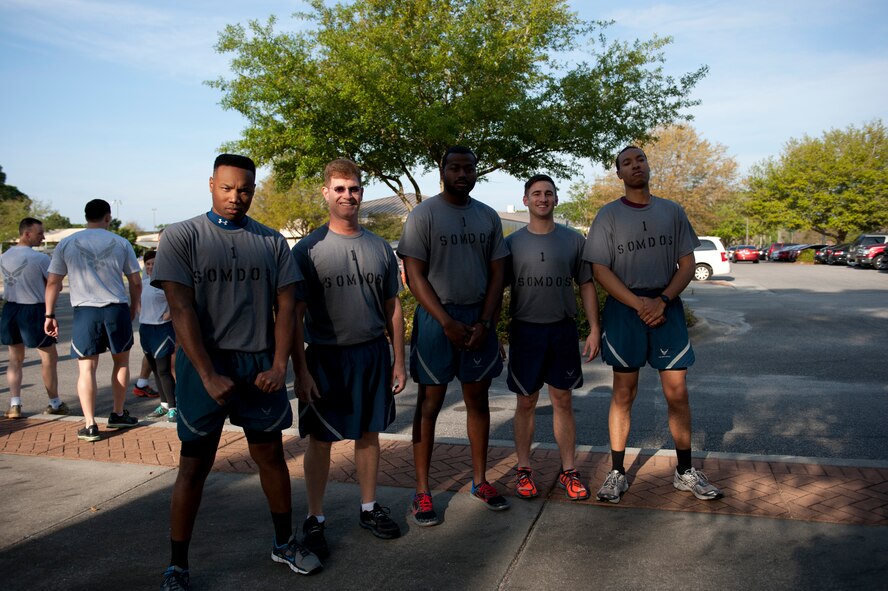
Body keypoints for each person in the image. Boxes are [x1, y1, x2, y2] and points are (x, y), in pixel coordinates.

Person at [152, 154, 320, 590]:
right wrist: (207, 374)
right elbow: (180, 308)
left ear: (253, 190)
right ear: (211, 184)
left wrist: (279, 365)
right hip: (204, 365)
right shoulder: (182, 235)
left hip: (258, 365)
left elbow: (287, 308)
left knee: (271, 457)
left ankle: (284, 544)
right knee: (194, 466)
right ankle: (177, 566)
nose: (235, 197)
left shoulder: (271, 241)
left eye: (244, 189)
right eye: (227, 188)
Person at [583, 146, 723, 504]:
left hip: (666, 307)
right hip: (625, 310)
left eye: (640, 159)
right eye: (627, 163)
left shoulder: (672, 211)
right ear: (619, 173)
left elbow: (687, 264)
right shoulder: (608, 215)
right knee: (623, 393)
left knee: (677, 392)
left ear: (648, 165)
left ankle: (685, 471)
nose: (635, 166)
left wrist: (661, 300)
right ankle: (617, 472)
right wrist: (639, 304)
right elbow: (600, 269)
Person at [291, 158, 407, 558]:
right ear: (326, 193)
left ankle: (369, 508)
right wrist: (300, 371)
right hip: (325, 358)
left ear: (361, 191)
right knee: (321, 439)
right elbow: (293, 316)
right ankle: (315, 516)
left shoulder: (379, 247)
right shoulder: (307, 250)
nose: (347, 195)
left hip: (371, 354)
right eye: (339, 188)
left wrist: (399, 360)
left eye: (354, 188)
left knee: (369, 433)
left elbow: (393, 307)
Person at [397, 145, 509, 525]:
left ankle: (480, 481)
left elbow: (498, 274)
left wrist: (487, 324)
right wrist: (445, 321)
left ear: (476, 172)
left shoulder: (487, 216)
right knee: (429, 403)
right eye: (455, 168)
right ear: (442, 171)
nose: (462, 174)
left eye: (469, 168)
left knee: (477, 401)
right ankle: (423, 491)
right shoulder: (423, 215)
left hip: (477, 317)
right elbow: (414, 275)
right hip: (437, 319)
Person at [504, 175, 600, 501]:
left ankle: (568, 471)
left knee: (563, 401)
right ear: (526, 200)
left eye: (548, 193)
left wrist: (594, 328)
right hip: (525, 331)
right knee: (525, 402)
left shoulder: (573, 240)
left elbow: (586, 284)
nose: (543, 198)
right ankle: (524, 468)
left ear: (556, 199)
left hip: (562, 330)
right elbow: (496, 288)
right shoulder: (512, 244)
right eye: (536, 193)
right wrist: (493, 331)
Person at [45, 200, 141, 441]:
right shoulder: (121, 242)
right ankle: (118, 413)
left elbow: (53, 282)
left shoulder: (67, 243)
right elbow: (135, 281)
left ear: (86, 216)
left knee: (86, 368)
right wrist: (134, 306)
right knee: (121, 362)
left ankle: (89, 424)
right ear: (108, 217)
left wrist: (49, 314)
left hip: (85, 311)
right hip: (116, 308)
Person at [1, 218, 66, 418]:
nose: (43, 237)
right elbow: (55, 285)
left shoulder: (4, 256)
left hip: (11, 308)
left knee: (15, 359)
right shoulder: (40, 259)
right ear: (27, 234)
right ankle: (54, 402)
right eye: (39, 233)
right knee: (48, 357)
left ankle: (15, 404)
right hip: (34, 309)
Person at [138, 250, 177, 421]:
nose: (150, 267)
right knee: (155, 370)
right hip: (146, 329)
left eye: (154, 263)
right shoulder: (143, 283)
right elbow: (137, 300)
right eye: (148, 264)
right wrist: (139, 310)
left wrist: (170, 313)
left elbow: (178, 301)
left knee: (164, 370)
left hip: (162, 330)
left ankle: (174, 407)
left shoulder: (165, 283)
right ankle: (164, 404)